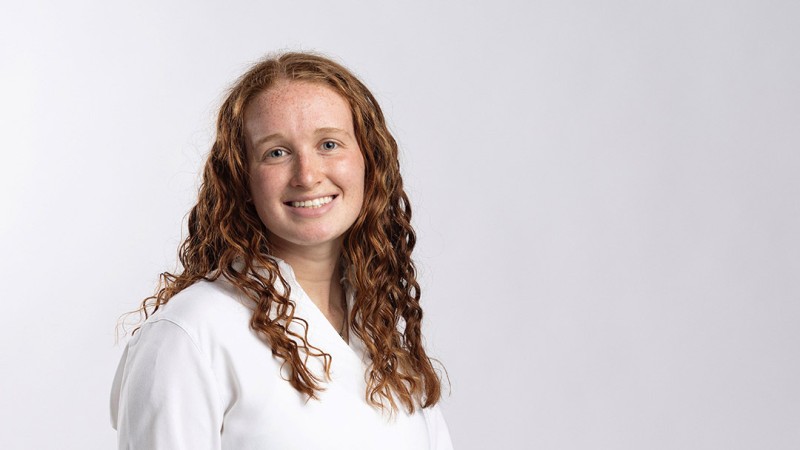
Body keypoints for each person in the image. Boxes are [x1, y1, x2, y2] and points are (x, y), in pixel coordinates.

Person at [110, 52, 453, 449]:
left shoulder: (381, 336)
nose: (307, 175)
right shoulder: (189, 335)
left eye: (329, 144)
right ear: (242, 179)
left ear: (368, 162)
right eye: (276, 152)